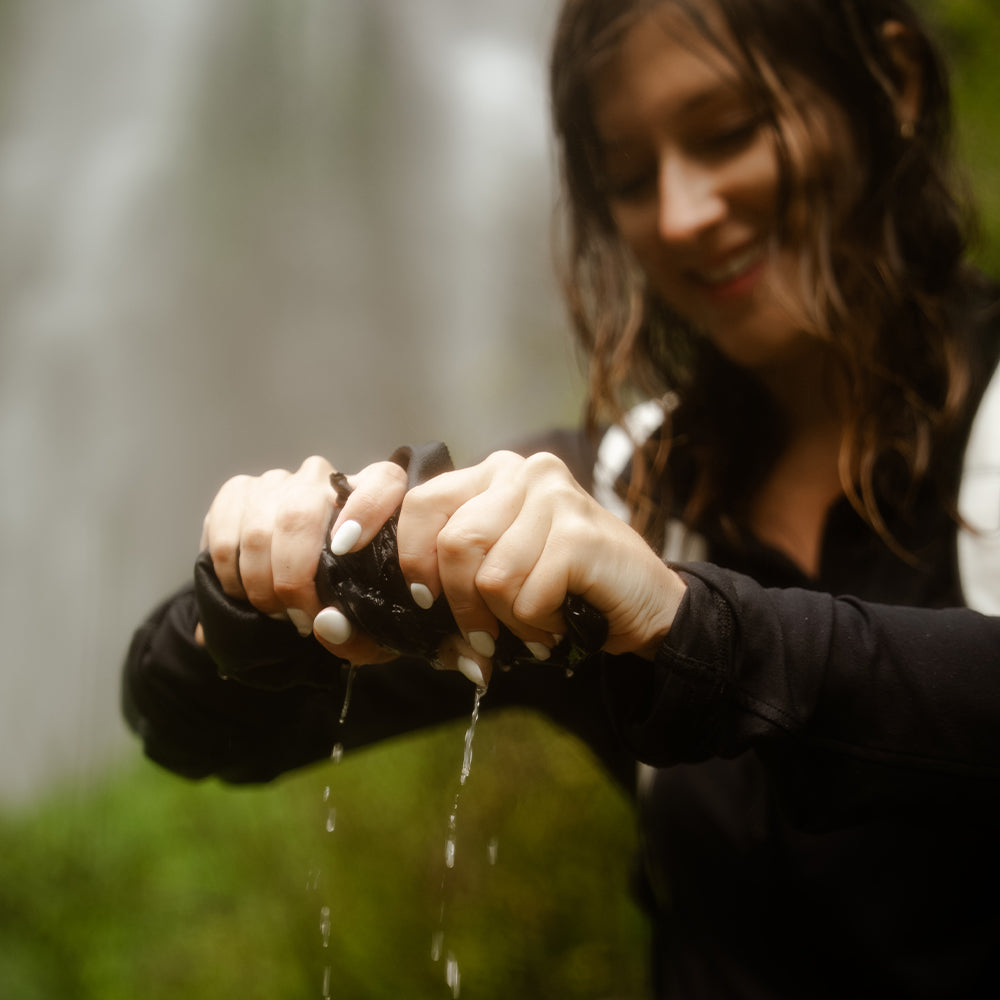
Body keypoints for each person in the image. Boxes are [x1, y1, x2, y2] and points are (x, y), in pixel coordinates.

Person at [122, 0, 1000, 996]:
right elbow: (193, 720)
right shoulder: (623, 494)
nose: (679, 213)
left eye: (728, 133)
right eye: (628, 178)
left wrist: (689, 629)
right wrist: (258, 590)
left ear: (893, 80)